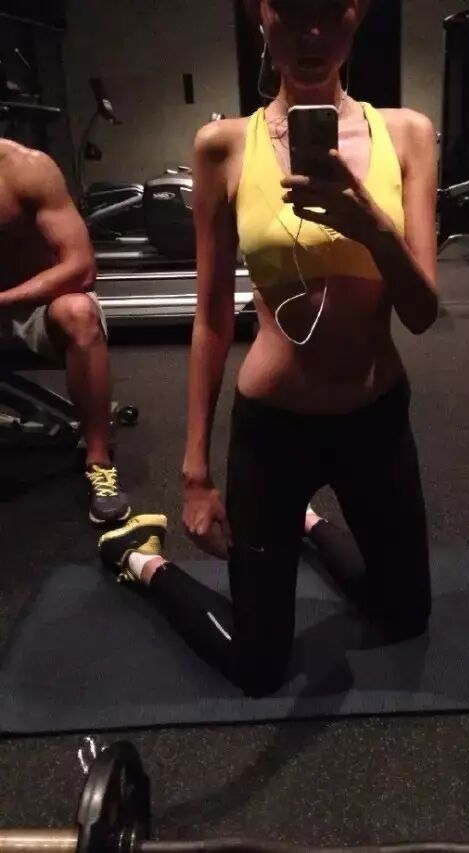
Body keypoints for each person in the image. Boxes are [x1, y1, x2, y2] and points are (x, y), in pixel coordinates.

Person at [98, 0, 438, 696]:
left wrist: (374, 228)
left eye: (330, 11)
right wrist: (194, 471)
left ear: (358, 13)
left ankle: (304, 525)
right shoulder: (223, 146)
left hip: (376, 418)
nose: (311, 33)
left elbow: (422, 312)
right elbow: (211, 318)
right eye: (292, 11)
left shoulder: (408, 134)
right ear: (261, 15)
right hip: (274, 431)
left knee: (406, 615)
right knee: (257, 668)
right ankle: (141, 561)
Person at [0, 137, 130, 524]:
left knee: (78, 313)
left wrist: (3, 300)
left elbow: (81, 268)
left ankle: (98, 461)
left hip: (35, 307)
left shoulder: (25, 168)